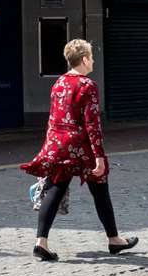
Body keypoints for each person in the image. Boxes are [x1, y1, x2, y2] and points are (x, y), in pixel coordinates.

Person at [20, 39, 137, 262]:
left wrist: (49, 148)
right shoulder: (87, 85)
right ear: (84, 59)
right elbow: (93, 124)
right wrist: (99, 158)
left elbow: (53, 119)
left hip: (58, 144)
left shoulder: (59, 83)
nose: (93, 61)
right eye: (91, 57)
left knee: (54, 190)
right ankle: (114, 239)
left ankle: (40, 242)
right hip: (80, 147)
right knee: (100, 188)